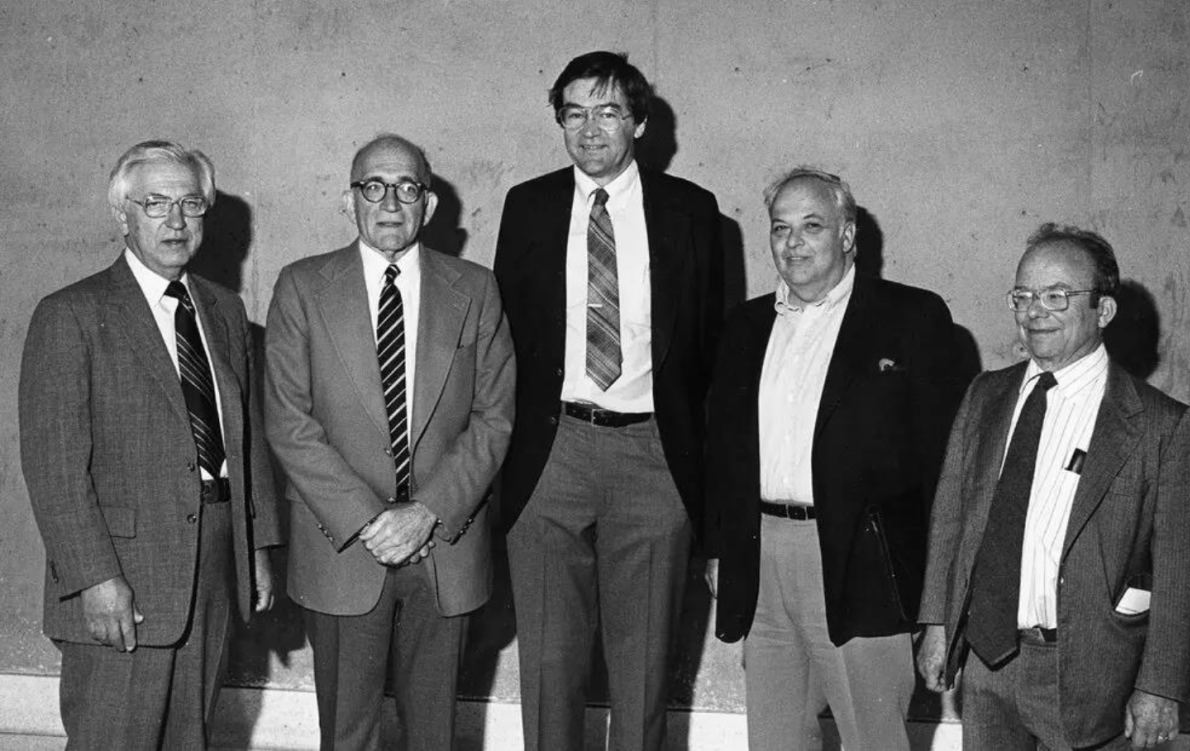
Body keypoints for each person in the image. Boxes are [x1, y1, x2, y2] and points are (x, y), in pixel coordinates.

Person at [493, 50, 723, 751]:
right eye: (576, 112)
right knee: (548, 668)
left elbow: (708, 352)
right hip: (551, 450)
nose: (591, 128)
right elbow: (505, 338)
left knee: (644, 672)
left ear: (641, 122)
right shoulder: (527, 205)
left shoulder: (691, 211)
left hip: (653, 453)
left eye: (610, 111)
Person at [18, 140, 281, 749]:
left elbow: (245, 436)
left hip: (215, 564)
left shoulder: (223, 309)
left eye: (191, 203)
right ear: (122, 215)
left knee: (193, 738)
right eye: (156, 203)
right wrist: (94, 578)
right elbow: (54, 468)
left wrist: (256, 546)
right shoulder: (71, 314)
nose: (176, 220)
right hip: (123, 576)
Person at [918, 224, 1190, 750]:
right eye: (1024, 296)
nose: (1035, 312)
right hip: (988, 661)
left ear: (1103, 311)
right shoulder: (987, 395)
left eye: (1057, 296)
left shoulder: (1161, 426)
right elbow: (950, 518)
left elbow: (1179, 569)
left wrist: (1160, 687)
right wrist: (937, 624)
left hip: (1092, 672)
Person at [264, 134, 515, 751]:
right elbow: (289, 423)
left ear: (428, 205)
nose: (390, 203)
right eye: (372, 187)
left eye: (407, 188)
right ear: (349, 202)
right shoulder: (301, 287)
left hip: (445, 546)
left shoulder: (476, 290)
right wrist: (373, 521)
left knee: (434, 735)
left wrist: (427, 513)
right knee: (349, 734)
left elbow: (495, 417)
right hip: (343, 546)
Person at [703, 168, 966, 750]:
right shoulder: (745, 326)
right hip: (764, 558)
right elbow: (724, 449)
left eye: (811, 226)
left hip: (863, 560)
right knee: (774, 740)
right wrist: (720, 547)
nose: (793, 243)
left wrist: (940, 601)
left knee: (874, 739)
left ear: (847, 236)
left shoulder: (911, 318)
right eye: (780, 228)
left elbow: (946, 467)